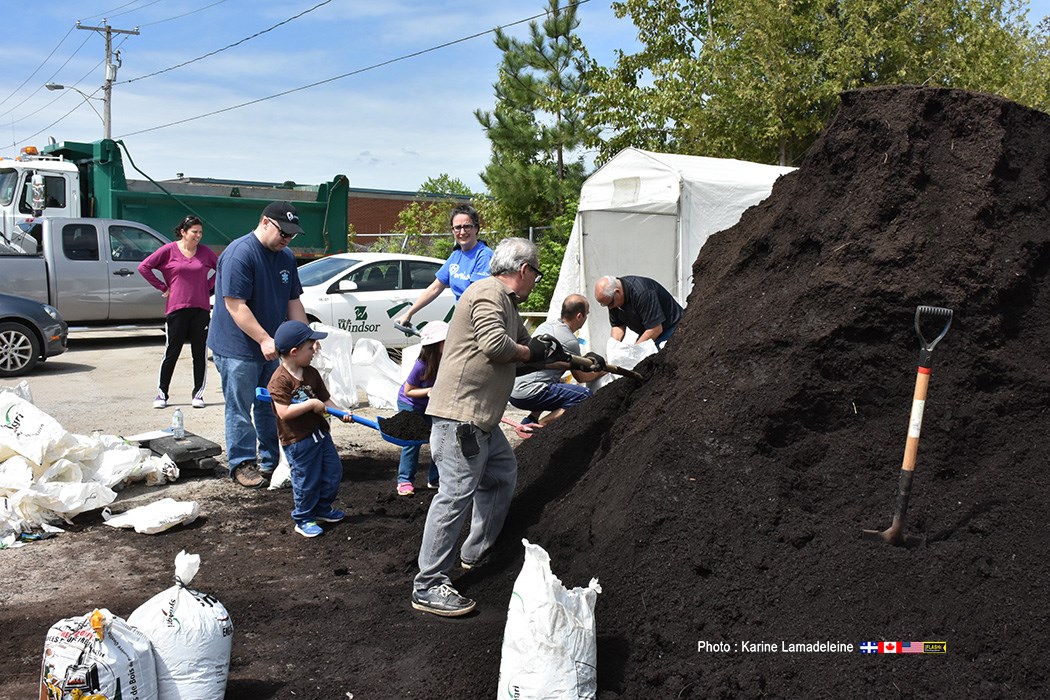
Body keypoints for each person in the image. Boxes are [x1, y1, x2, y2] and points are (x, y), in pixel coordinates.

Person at [411, 237, 560, 617]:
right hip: (461, 417)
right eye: (536, 274)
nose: (534, 282)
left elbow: (528, 351)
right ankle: (428, 584)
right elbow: (497, 346)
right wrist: (534, 352)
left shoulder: (508, 305)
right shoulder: (486, 292)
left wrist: (576, 361)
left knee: (501, 474)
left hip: (483, 420)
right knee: (455, 495)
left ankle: (475, 552)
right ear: (524, 270)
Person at [208, 201, 309, 489]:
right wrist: (264, 338)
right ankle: (242, 463)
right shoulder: (240, 254)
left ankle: (270, 461)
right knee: (240, 406)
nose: (286, 239)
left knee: (270, 404)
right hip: (237, 347)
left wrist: (304, 338)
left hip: (271, 348)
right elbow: (235, 305)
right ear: (265, 222)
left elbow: (293, 301)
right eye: (282, 232)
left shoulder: (286, 257)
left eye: (291, 235)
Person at [267, 320, 353, 538]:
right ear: (294, 352)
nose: (316, 350)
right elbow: (284, 412)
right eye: (311, 346)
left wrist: (341, 412)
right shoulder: (280, 380)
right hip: (298, 440)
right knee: (306, 479)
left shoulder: (312, 373)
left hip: (320, 434)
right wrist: (310, 405)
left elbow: (325, 399)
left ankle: (323, 508)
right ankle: (304, 518)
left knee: (333, 472)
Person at [137, 215, 218, 410]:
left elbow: (222, 269)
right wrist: (163, 287)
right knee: (171, 352)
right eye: (194, 232)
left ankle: (198, 393)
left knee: (199, 353)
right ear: (183, 232)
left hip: (200, 309)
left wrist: (207, 287)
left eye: (200, 232)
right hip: (176, 309)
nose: (198, 236)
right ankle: (162, 393)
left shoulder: (206, 253)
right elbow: (144, 267)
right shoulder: (168, 250)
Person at [510, 294, 607, 425]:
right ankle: (539, 426)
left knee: (558, 382)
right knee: (584, 395)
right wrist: (603, 370)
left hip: (513, 390)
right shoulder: (570, 341)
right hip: (528, 393)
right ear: (579, 316)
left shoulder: (547, 325)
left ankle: (531, 419)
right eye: (586, 314)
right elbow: (581, 377)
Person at [393, 204, 493, 327]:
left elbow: (474, 295)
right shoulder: (456, 255)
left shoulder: (484, 255)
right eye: (457, 227)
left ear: (476, 229)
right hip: (461, 319)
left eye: (467, 227)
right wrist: (408, 313)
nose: (462, 232)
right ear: (452, 230)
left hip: (477, 321)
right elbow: (435, 288)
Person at [395, 321, 448, 496]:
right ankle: (404, 480)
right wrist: (428, 391)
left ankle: (435, 478)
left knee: (439, 439)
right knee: (413, 441)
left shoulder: (448, 361)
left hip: (431, 405)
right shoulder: (422, 365)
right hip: (410, 403)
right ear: (436, 345)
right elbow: (408, 390)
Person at [594, 275, 684, 347]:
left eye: (610, 304)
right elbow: (618, 326)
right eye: (604, 305)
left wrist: (634, 351)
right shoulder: (612, 300)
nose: (609, 308)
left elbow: (655, 329)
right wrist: (613, 348)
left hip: (672, 327)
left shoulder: (643, 293)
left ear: (618, 292)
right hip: (647, 330)